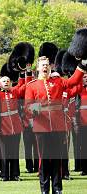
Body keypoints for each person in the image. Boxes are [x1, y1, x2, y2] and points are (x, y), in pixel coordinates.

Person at [24, 56, 86, 194]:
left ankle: (57, 188)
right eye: (43, 65)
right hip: (42, 126)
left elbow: (74, 81)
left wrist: (82, 64)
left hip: (58, 126)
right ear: (38, 68)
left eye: (47, 65)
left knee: (57, 159)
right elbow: (27, 107)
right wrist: (39, 110)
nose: (45, 67)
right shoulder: (32, 85)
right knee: (44, 160)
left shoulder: (57, 81)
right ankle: (44, 189)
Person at [0, 72, 32, 181]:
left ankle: (15, 174)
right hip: (2, 126)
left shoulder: (14, 92)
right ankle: (4, 175)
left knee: (14, 152)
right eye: (4, 81)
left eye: (8, 81)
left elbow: (25, 85)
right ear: (0, 84)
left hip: (16, 126)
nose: (6, 82)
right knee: (4, 152)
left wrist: (25, 73)